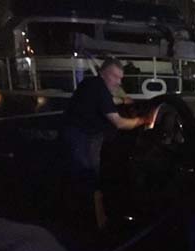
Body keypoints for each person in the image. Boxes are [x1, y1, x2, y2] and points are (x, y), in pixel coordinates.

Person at [61, 57, 155, 229]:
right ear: (103, 73)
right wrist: (142, 121)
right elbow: (119, 123)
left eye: (120, 78)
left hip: (80, 133)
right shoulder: (100, 90)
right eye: (115, 76)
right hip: (81, 136)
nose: (118, 82)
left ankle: (85, 212)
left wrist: (123, 100)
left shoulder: (91, 84)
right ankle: (91, 221)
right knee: (87, 174)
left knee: (85, 173)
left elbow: (109, 100)